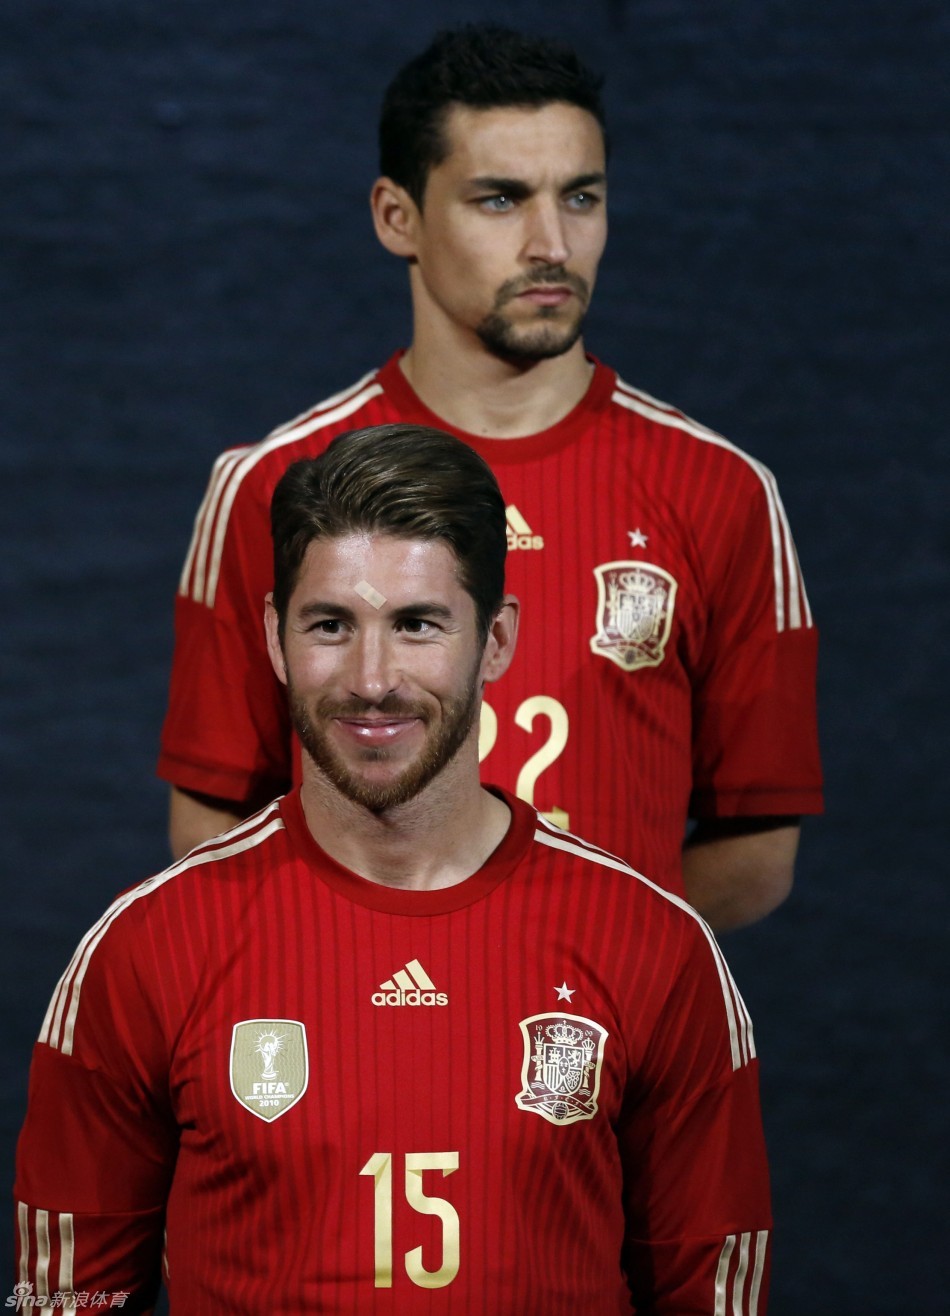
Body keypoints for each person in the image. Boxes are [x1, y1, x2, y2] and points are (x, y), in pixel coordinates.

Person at [16, 424, 772, 1313]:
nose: (373, 679)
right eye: (331, 625)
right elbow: (64, 1303)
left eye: (417, 625)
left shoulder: (656, 946)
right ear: (272, 639)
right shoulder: (145, 948)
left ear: (495, 642)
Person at [159, 23, 823, 929]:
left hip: (596, 1058)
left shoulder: (723, 489)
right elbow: (214, 819)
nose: (551, 241)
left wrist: (585, 974)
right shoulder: (271, 481)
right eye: (501, 199)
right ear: (399, 217)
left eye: (580, 197)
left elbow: (758, 848)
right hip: (356, 1044)